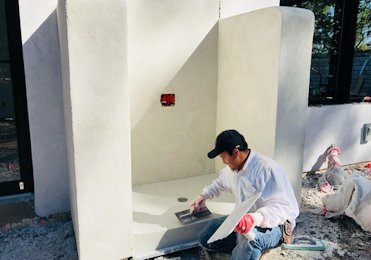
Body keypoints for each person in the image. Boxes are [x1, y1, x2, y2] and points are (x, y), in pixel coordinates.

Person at [190, 129, 299, 260]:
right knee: (207, 237)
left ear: (236, 153)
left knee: (249, 241)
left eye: (223, 157)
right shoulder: (233, 168)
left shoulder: (266, 169)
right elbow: (220, 183)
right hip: (243, 219)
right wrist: (203, 196)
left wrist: (255, 219)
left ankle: (253, 247)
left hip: (275, 225)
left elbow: (283, 209)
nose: (223, 161)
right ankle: (245, 250)